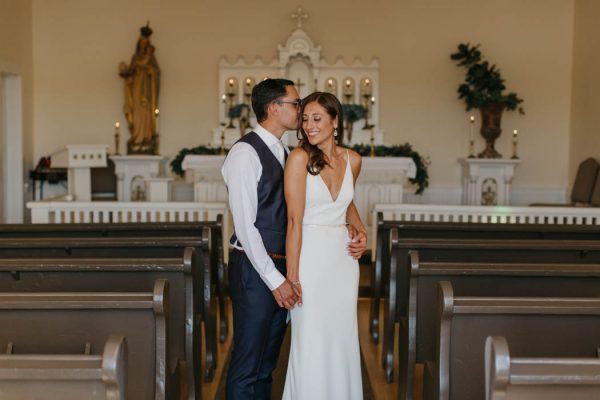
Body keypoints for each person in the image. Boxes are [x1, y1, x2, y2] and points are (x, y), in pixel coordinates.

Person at [222, 80, 366, 399]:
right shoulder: (245, 153)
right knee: (248, 364)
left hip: (289, 266)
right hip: (258, 271)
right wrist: (279, 280)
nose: (302, 114)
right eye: (297, 105)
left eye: (311, 112)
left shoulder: (286, 151)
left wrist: (359, 228)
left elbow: (340, 202)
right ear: (275, 107)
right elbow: (246, 228)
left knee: (266, 365)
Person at [282, 92, 367, 400]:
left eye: (316, 118)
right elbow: (293, 221)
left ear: (335, 121)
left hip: (343, 262)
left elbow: (346, 203)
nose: (309, 126)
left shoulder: (353, 160)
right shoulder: (299, 158)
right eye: (305, 119)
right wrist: (292, 277)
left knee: (342, 337)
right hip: (311, 258)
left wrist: (359, 230)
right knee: (311, 339)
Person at [118, 23, 160, 154]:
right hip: (136, 90)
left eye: (146, 43)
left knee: (146, 113)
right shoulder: (135, 58)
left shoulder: (151, 59)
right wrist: (125, 72)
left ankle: (146, 138)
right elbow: (129, 74)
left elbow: (156, 73)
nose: (144, 45)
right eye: (142, 42)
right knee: (136, 113)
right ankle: (137, 138)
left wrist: (150, 71)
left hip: (146, 93)